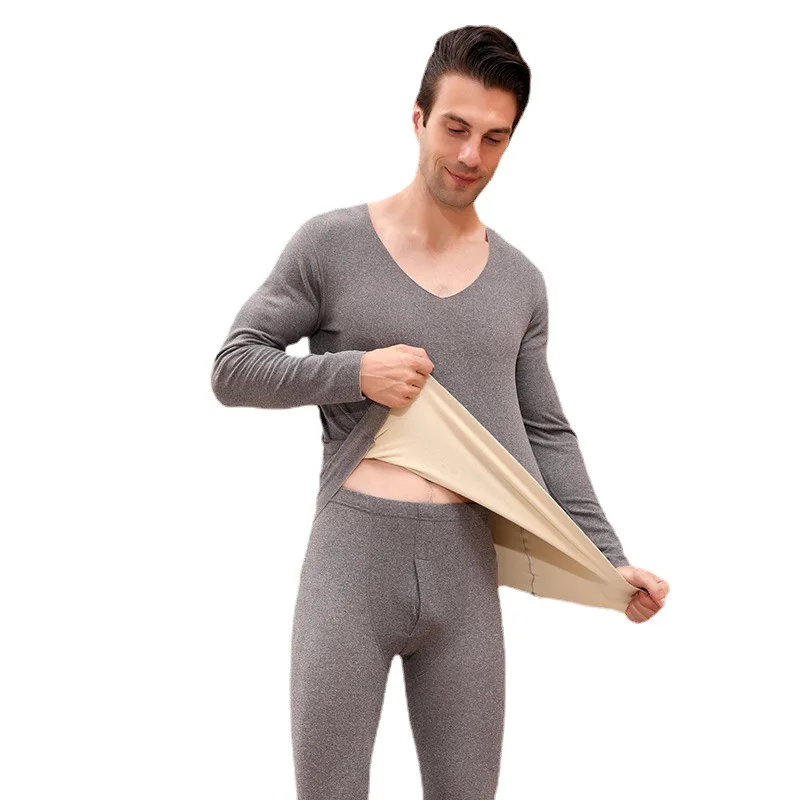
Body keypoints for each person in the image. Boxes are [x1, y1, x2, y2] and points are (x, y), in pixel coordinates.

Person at [211, 24, 670, 799]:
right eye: (455, 128)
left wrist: (607, 556)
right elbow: (235, 367)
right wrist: (356, 373)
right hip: (350, 564)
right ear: (419, 117)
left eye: (494, 138)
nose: (470, 155)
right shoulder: (330, 244)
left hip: (466, 572)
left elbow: (546, 430)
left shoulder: (521, 282)